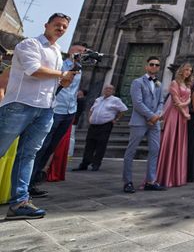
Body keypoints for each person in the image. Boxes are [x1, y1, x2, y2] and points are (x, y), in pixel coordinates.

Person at [0, 13, 76, 219]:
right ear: (46, 25)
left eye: (64, 27)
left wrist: (63, 82)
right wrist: (62, 75)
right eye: (57, 25)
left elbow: (50, 81)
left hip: (45, 108)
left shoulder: (57, 52)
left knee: (28, 155)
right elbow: (34, 70)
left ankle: (19, 203)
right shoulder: (29, 45)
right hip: (19, 105)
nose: (60, 29)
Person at [29, 42, 86, 197]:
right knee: (42, 145)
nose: (82, 54)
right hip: (55, 109)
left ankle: (33, 182)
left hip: (69, 111)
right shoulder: (59, 64)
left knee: (50, 147)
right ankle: (27, 182)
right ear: (71, 52)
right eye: (79, 51)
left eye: (84, 52)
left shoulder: (80, 69)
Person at [122, 56, 165, 193]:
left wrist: (157, 115)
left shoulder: (159, 83)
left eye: (157, 65)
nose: (154, 67)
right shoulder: (137, 82)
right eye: (151, 64)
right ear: (146, 66)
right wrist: (151, 116)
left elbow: (161, 102)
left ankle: (151, 181)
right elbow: (137, 103)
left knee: (154, 151)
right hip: (139, 122)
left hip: (154, 123)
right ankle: (127, 181)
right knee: (131, 151)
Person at [73, 84, 127, 171]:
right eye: (106, 88)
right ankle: (85, 163)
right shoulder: (98, 99)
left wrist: (116, 119)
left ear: (113, 91)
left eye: (110, 89)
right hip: (93, 125)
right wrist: (90, 118)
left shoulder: (116, 100)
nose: (107, 90)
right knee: (89, 144)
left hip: (105, 125)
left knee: (101, 145)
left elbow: (123, 110)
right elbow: (91, 109)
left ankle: (96, 164)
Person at [156, 63, 192, 188]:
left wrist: (183, 106)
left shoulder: (187, 84)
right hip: (174, 115)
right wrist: (184, 112)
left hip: (182, 116)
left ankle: (176, 176)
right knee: (171, 141)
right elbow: (175, 100)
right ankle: (165, 176)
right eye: (186, 69)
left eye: (190, 70)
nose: (188, 72)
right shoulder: (174, 83)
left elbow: (189, 99)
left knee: (179, 143)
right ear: (181, 70)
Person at [0, 64, 19, 205]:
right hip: (8, 112)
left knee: (11, 154)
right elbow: (1, 89)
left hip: (20, 116)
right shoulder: (12, 68)